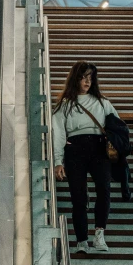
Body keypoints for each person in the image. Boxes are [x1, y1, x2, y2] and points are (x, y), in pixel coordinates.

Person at [52, 61, 119, 254]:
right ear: (75, 78)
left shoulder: (102, 102)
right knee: (78, 197)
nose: (87, 81)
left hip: (99, 148)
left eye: (91, 77)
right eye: (83, 77)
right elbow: (58, 135)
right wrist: (58, 161)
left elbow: (118, 125)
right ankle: (82, 241)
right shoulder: (65, 105)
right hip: (75, 149)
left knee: (104, 191)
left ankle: (99, 235)